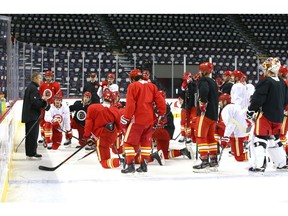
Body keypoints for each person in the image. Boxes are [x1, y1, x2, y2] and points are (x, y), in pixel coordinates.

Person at [120, 68, 166, 174]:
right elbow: (161, 102)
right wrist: (162, 114)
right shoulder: (152, 86)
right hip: (149, 119)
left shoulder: (133, 86)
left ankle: (130, 165)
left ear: (132, 79)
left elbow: (131, 105)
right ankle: (144, 165)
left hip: (137, 119)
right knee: (146, 142)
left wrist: (126, 118)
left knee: (128, 142)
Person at [247, 57, 288, 173]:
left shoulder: (266, 81)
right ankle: (281, 163)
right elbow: (286, 101)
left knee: (260, 139)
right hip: (278, 117)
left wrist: (251, 110)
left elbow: (258, 99)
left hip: (265, 116)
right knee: (274, 139)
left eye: (265, 68)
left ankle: (259, 165)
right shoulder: (282, 83)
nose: (263, 70)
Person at [84, 89, 124, 169]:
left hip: (101, 136)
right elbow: (119, 127)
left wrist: (87, 136)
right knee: (108, 155)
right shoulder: (115, 110)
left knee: (104, 162)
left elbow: (89, 124)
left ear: (102, 97)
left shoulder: (93, 107)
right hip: (111, 136)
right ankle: (122, 160)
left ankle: (121, 161)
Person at [193, 62, 219, 172]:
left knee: (200, 136)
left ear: (204, 71)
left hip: (205, 114)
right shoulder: (213, 82)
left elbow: (204, 92)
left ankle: (204, 160)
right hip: (213, 115)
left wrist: (202, 104)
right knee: (210, 137)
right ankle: (213, 160)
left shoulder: (203, 81)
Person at [152, 90, 193, 160]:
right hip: (165, 133)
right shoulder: (161, 107)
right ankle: (183, 151)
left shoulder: (163, 107)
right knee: (164, 155)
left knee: (146, 132)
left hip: (164, 131)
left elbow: (162, 122)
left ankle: (140, 152)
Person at [21, 72, 50, 159]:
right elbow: (35, 103)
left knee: (31, 135)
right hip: (32, 116)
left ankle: (31, 152)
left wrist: (41, 100)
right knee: (32, 135)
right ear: (34, 78)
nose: (41, 80)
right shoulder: (33, 88)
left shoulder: (31, 87)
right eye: (39, 78)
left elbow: (35, 101)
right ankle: (31, 153)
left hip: (30, 116)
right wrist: (43, 101)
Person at [218, 93, 249, 162]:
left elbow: (231, 123)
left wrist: (225, 137)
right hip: (241, 131)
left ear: (224, 101)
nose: (219, 103)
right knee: (234, 153)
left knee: (239, 158)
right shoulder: (235, 106)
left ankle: (255, 155)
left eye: (220, 101)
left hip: (238, 134)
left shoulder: (226, 109)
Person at [38, 70, 62, 145]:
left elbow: (59, 96)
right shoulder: (42, 85)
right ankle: (43, 136)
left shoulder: (56, 85)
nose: (48, 78)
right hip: (43, 106)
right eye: (47, 76)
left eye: (49, 76)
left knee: (50, 122)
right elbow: (40, 96)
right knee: (42, 121)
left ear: (52, 77)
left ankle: (50, 136)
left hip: (52, 108)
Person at [178, 71, 197, 144]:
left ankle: (189, 136)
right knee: (183, 120)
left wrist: (190, 84)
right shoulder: (182, 83)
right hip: (185, 105)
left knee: (191, 121)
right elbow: (180, 94)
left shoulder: (194, 84)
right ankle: (183, 135)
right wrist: (183, 87)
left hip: (192, 105)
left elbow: (193, 92)